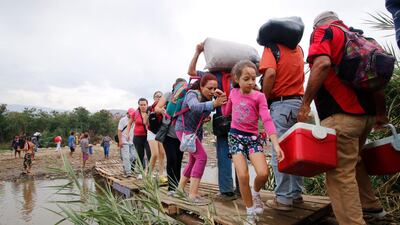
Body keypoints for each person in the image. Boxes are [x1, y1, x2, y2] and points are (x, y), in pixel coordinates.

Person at [298, 11, 388, 225]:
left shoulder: (324, 32)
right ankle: (371, 207)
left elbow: (321, 64)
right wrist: (380, 114)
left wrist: (305, 103)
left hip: (341, 115)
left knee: (340, 174)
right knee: (354, 162)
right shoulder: (365, 40)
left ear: (315, 26)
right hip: (366, 116)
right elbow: (378, 79)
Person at [222, 60, 284, 224]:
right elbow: (226, 112)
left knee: (263, 173)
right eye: (246, 78)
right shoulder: (233, 93)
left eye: (253, 79)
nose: (251, 82)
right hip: (235, 137)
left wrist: (275, 143)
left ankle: (255, 193)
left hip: (253, 138)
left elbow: (267, 119)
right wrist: (223, 102)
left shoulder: (259, 96)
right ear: (237, 78)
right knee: (242, 175)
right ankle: (250, 214)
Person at [188, 42, 238, 201]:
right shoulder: (238, 74)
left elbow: (190, 71)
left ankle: (227, 191)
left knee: (224, 153)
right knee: (240, 152)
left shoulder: (212, 76)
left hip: (222, 119)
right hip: (241, 118)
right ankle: (242, 189)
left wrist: (197, 52)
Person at [259, 38, 305, 210]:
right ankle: (296, 194)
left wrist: (264, 98)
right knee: (295, 150)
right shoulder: (297, 48)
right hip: (298, 103)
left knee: (279, 150)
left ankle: (283, 199)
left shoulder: (271, 48)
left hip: (281, 104)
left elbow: (270, 73)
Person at [175, 74, 227, 205]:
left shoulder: (206, 97)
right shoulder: (192, 94)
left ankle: (180, 190)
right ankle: (192, 195)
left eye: (215, 88)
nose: (212, 91)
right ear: (201, 86)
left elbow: (200, 112)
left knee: (193, 159)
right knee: (202, 157)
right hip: (184, 130)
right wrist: (214, 103)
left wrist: (220, 98)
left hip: (194, 132)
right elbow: (194, 107)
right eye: (209, 88)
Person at [155, 78, 187, 194]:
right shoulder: (169, 95)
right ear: (175, 86)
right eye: (180, 86)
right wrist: (163, 111)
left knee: (178, 160)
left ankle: (177, 185)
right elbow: (157, 108)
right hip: (168, 133)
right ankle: (171, 187)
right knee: (172, 158)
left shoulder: (186, 97)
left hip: (180, 134)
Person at [127, 98, 152, 179]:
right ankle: (142, 172)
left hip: (148, 136)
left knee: (150, 155)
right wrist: (127, 133)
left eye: (144, 105)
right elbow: (129, 123)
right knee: (140, 155)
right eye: (141, 105)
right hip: (137, 137)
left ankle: (149, 172)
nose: (143, 106)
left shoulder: (150, 112)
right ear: (139, 105)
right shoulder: (135, 113)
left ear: (147, 105)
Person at [147, 91, 167, 182]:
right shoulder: (151, 108)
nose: (158, 98)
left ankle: (161, 175)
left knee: (162, 153)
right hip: (151, 132)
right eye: (156, 96)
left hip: (161, 132)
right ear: (154, 98)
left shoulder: (165, 107)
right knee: (155, 154)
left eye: (160, 96)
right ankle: (149, 174)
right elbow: (146, 121)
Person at [118, 109, 136, 177]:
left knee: (134, 157)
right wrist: (120, 141)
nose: (131, 115)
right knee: (126, 157)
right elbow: (119, 131)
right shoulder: (122, 120)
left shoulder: (134, 120)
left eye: (132, 114)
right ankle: (128, 172)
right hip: (124, 140)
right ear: (127, 113)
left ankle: (125, 166)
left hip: (132, 141)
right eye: (130, 114)